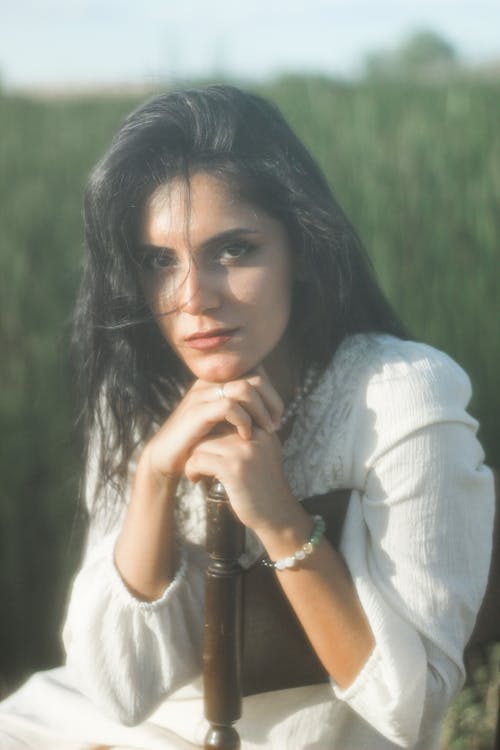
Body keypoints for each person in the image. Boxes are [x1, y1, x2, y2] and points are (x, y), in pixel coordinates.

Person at [0, 84, 494, 750]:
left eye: (234, 251)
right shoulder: (134, 396)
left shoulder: (401, 394)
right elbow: (117, 693)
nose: (193, 299)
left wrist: (281, 520)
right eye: (158, 261)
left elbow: (412, 710)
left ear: (303, 249)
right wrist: (152, 472)